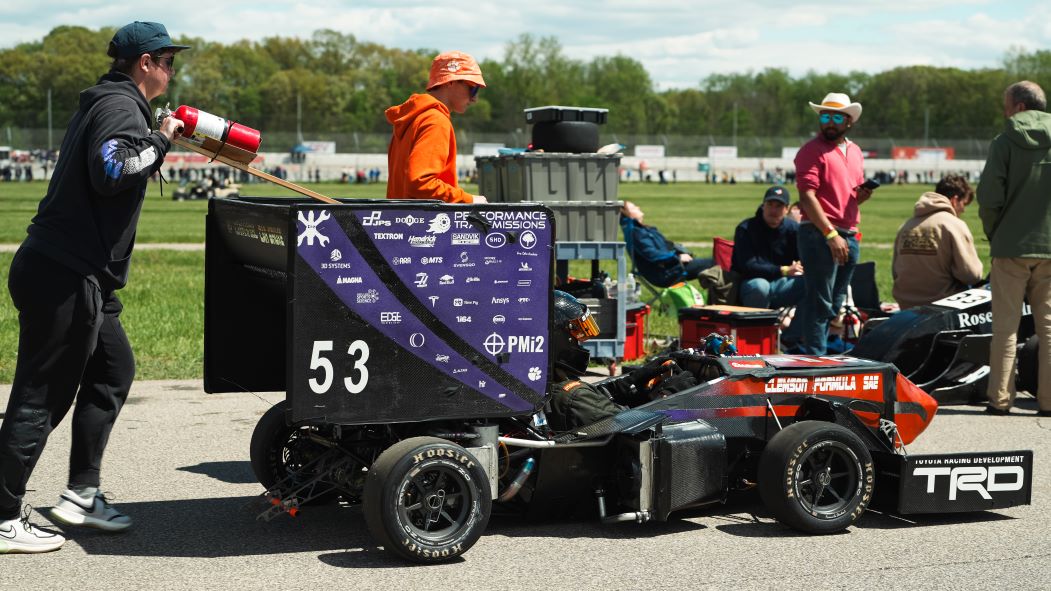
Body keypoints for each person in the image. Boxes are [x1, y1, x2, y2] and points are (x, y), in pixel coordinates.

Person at [0, 21, 189, 553]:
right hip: (65, 271)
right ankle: (1, 515)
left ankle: (81, 494)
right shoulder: (120, 105)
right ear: (144, 63)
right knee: (42, 395)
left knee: (112, 369)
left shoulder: (115, 101)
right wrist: (162, 139)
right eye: (167, 59)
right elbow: (112, 169)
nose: (171, 69)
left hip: (77, 273)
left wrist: (154, 136)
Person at [977, 80, 1051, 417]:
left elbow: (990, 197)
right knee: (1048, 328)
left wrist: (997, 234)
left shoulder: (1005, 140)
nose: (1005, 111)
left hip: (1010, 245)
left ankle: (1000, 400)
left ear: (1020, 106)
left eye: (1006, 105)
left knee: (1005, 329)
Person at [793, 92, 874, 355]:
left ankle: (820, 351)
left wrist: (859, 199)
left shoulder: (856, 151)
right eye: (825, 116)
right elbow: (807, 196)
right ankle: (815, 361)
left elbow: (843, 197)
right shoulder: (810, 151)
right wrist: (830, 234)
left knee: (835, 301)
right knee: (820, 302)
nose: (829, 122)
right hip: (820, 234)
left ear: (849, 121)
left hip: (849, 232)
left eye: (836, 117)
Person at [546, 291, 696, 432]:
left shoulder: (541, 386)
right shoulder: (573, 397)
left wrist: (629, 383)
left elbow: (596, 404)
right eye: (577, 337)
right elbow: (636, 426)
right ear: (559, 338)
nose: (581, 344)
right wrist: (670, 395)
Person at [385, 51, 487, 203]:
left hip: (401, 221)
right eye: (473, 88)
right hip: (421, 223)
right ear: (450, 82)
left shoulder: (413, 118)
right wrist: (469, 199)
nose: (474, 99)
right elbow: (420, 183)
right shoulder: (435, 121)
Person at [892, 174, 983, 310]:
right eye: (963, 204)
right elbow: (971, 275)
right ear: (955, 200)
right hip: (943, 304)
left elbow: (895, 271)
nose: (963, 210)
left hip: (906, 304)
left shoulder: (907, 226)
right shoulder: (954, 225)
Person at [731, 185, 805, 311]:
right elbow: (748, 266)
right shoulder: (746, 228)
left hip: (782, 284)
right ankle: (758, 327)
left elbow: (803, 258)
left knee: (812, 284)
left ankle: (795, 330)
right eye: (770, 204)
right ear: (763, 205)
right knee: (761, 286)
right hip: (751, 282)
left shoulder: (793, 229)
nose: (773, 210)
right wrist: (783, 270)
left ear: (787, 209)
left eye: (779, 206)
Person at [620, 201, 712, 288]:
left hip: (670, 267)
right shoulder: (637, 233)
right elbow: (653, 255)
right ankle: (719, 301)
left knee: (718, 264)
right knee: (717, 263)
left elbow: (664, 248)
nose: (638, 207)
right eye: (633, 207)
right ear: (627, 214)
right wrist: (677, 258)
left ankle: (716, 301)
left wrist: (678, 253)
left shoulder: (641, 230)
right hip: (666, 273)